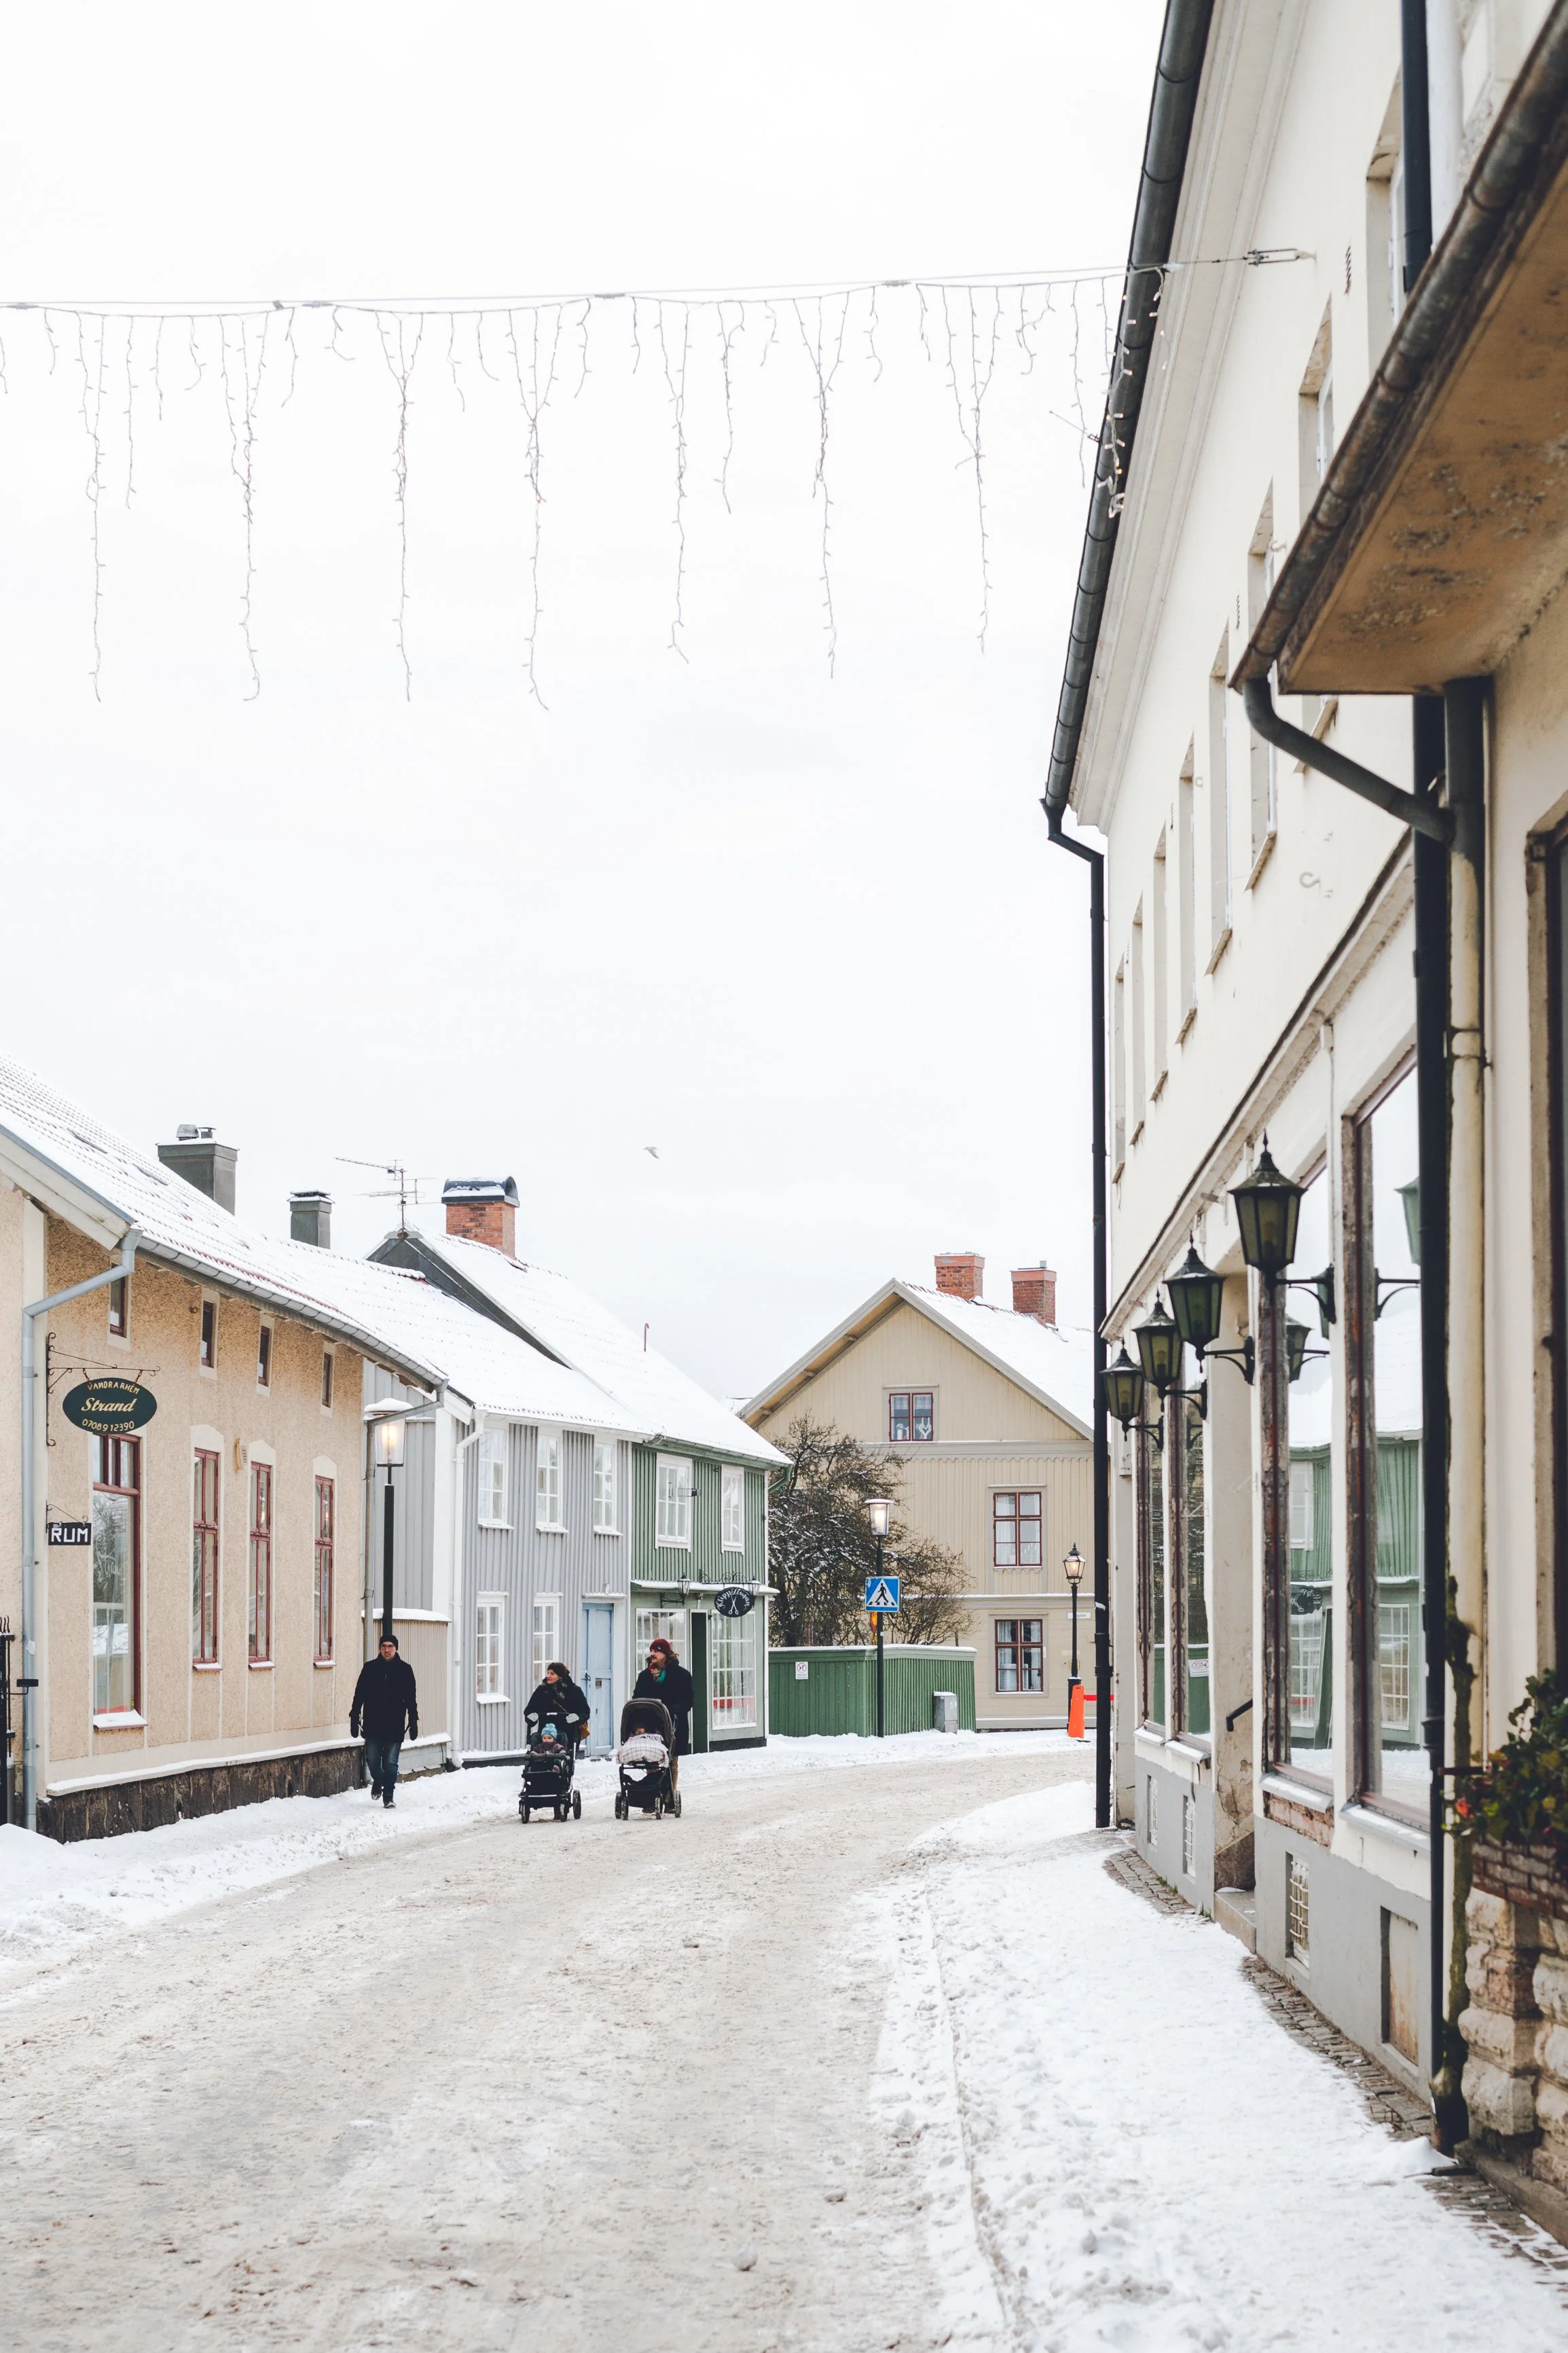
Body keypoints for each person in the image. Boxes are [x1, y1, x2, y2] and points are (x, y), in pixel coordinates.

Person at [350, 1632, 419, 1808]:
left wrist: (413, 1720)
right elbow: (360, 1694)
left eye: (390, 1647)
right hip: (373, 1723)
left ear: (396, 1649)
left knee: (391, 1762)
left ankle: (388, 1795)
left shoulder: (405, 1670)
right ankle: (379, 1781)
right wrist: (355, 1714)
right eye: (384, 1647)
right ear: (380, 1649)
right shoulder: (370, 1668)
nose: (387, 1650)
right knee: (372, 1760)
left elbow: (411, 1698)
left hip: (395, 1724)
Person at [632, 1636, 694, 1788]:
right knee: (651, 1759)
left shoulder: (682, 1675)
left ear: (666, 1654)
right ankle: (652, 1794)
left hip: (673, 1722)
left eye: (657, 1651)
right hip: (650, 1723)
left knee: (671, 1761)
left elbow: (688, 1699)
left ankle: (670, 1798)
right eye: (651, 1650)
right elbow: (637, 1698)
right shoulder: (645, 1676)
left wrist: (674, 1710)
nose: (653, 1654)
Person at [523, 1659, 591, 1746]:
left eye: (552, 1674)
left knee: (565, 1757)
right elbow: (530, 1709)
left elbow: (585, 1711)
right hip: (546, 1735)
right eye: (548, 1673)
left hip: (569, 1735)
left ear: (561, 1676)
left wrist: (578, 1717)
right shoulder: (541, 1691)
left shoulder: (574, 1691)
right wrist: (531, 1717)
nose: (548, 1676)